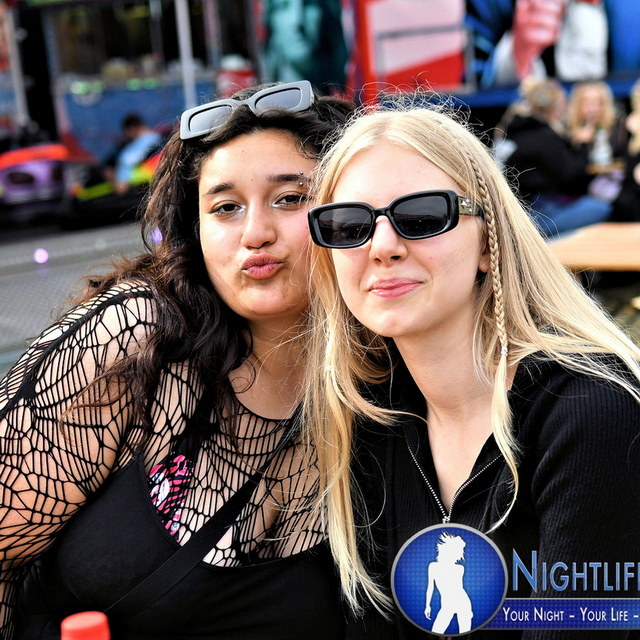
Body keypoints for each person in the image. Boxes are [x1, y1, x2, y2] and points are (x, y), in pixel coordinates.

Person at [0, 80, 356, 639]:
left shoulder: (386, 390)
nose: (255, 234)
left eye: (290, 198)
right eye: (225, 208)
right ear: (196, 231)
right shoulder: (138, 339)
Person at [303, 103, 640, 637]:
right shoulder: (370, 415)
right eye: (349, 225)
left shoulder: (591, 411)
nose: (382, 247)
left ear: (488, 241)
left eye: (422, 216)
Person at [500, 78, 612, 236]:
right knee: (602, 208)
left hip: (522, 208)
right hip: (537, 213)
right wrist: (583, 145)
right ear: (557, 108)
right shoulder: (544, 136)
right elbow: (572, 175)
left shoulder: (520, 129)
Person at [110, 113, 163, 195]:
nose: (126, 135)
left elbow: (121, 187)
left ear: (131, 129)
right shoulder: (159, 138)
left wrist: (119, 180)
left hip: (140, 190)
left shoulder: (130, 153)